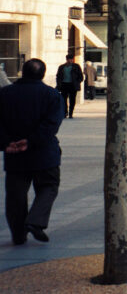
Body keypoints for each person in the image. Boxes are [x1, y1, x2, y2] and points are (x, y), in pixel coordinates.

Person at [0, 59, 64, 244]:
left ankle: (18, 235)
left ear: (22, 72)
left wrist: (6, 143)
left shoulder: (5, 94)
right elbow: (51, 125)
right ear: (43, 74)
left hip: (14, 154)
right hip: (44, 152)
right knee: (49, 186)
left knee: (15, 196)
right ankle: (36, 220)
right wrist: (31, 141)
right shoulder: (51, 95)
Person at [55, 53, 83, 119]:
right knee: (63, 100)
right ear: (67, 59)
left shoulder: (76, 66)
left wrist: (77, 82)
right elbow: (58, 76)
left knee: (72, 100)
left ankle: (71, 113)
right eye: (70, 59)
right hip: (64, 85)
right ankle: (65, 112)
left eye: (72, 59)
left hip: (73, 85)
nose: (71, 60)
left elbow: (81, 76)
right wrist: (59, 84)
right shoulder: (62, 67)